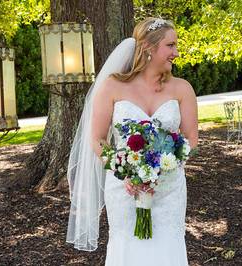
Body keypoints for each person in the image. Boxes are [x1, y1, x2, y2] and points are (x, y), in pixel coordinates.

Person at [66, 17, 198, 266]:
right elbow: (97, 139)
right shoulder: (113, 86)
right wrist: (124, 171)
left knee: (167, 245)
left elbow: (192, 138)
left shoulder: (182, 89)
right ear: (149, 47)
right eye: (170, 46)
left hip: (169, 189)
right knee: (127, 246)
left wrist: (163, 166)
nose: (176, 53)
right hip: (124, 186)